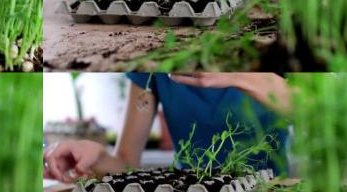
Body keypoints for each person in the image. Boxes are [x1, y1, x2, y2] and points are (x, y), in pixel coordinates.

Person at [44, 73, 291, 183]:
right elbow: (126, 162)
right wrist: (96, 155)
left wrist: (237, 75)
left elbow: (317, 114)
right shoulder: (156, 69)